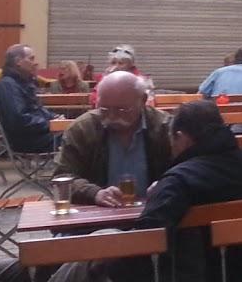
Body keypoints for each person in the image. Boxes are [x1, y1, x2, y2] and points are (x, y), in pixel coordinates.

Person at [112, 101, 242, 282]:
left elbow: (145, 242)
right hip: (241, 281)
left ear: (180, 137)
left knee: (85, 267)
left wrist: (106, 270)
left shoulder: (179, 181)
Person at [53, 71, 172, 206]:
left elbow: (190, 168)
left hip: (157, 212)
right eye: (104, 109)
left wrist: (168, 184)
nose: (112, 117)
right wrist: (94, 193)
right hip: (98, 217)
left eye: (122, 110)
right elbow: (62, 177)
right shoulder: (82, 129)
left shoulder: (165, 128)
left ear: (143, 100)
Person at [0, 44, 54, 153]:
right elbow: (19, 120)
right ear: (18, 61)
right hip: (27, 140)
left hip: (35, 135)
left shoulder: (21, 83)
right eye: (31, 59)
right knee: (79, 138)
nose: (35, 63)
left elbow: (36, 110)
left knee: (78, 134)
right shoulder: (8, 85)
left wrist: (55, 118)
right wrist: (50, 124)